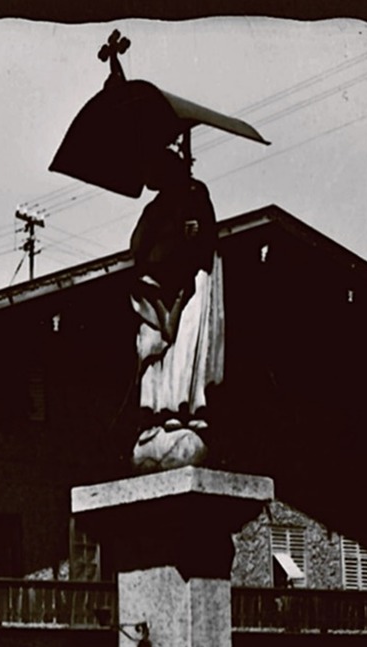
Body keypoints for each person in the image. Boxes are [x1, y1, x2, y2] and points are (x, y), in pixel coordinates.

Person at [128, 145, 224, 471]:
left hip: (189, 285)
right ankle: (158, 411)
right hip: (158, 291)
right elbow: (138, 246)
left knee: (186, 351)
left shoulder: (196, 195)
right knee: (158, 355)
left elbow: (208, 241)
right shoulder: (156, 209)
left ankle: (186, 408)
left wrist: (196, 234)